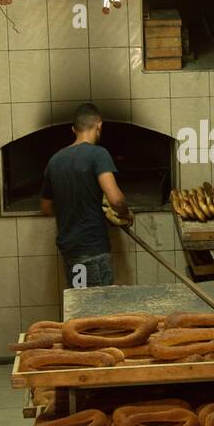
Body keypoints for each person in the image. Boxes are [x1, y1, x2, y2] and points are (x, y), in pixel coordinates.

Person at [39, 101, 132, 288]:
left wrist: (72, 207)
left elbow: (46, 207)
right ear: (99, 126)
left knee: (81, 309)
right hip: (94, 250)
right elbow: (115, 199)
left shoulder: (55, 161)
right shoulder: (98, 154)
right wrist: (125, 213)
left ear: (74, 129)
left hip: (71, 253)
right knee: (99, 313)